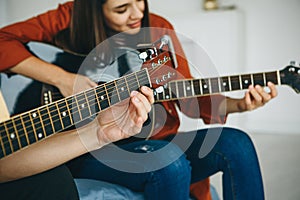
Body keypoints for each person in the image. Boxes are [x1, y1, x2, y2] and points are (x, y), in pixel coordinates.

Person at [0, 0, 278, 199]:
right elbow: (3, 41)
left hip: (147, 140)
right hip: (86, 146)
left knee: (237, 143)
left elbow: (184, 95)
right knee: (168, 161)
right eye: (121, 9)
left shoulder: (155, 30)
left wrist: (238, 103)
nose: (137, 13)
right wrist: (62, 78)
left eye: (140, 1)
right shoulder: (69, 19)